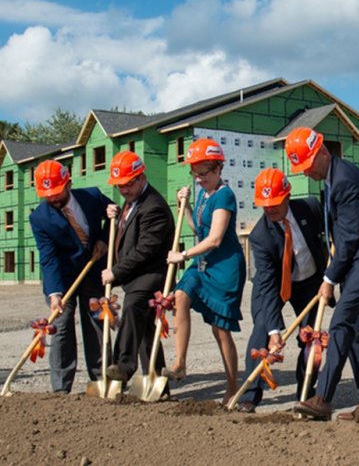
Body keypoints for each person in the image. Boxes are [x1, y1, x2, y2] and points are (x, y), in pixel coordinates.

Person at [285, 127, 359, 420]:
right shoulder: (331, 180)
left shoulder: (345, 181)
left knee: (340, 322)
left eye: (307, 165)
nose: (305, 173)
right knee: (355, 327)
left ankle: (323, 398)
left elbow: (350, 237)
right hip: (355, 261)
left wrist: (328, 279)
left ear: (322, 153)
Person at [164, 138, 246, 405]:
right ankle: (180, 363)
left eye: (203, 174)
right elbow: (197, 229)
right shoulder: (203, 193)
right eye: (195, 174)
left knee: (220, 330)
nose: (199, 180)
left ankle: (232, 386)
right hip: (203, 266)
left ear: (218, 169)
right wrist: (185, 207)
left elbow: (215, 238)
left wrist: (183, 255)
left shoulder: (225, 195)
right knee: (180, 295)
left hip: (225, 269)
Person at [237, 168, 326, 413]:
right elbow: (265, 284)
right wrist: (275, 330)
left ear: (287, 196)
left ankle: (306, 394)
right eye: (264, 205)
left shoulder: (310, 208)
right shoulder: (260, 236)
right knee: (261, 332)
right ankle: (250, 395)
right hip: (274, 287)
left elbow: (331, 228)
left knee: (311, 339)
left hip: (309, 283)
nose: (269, 209)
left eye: (274, 203)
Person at [29, 160, 110, 393]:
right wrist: (55, 294)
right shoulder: (40, 218)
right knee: (62, 326)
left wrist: (103, 239)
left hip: (92, 271)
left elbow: (116, 216)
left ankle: (101, 380)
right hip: (62, 278)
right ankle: (61, 389)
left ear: (68, 183)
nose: (53, 199)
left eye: (56, 193)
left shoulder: (92, 196)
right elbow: (49, 258)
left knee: (96, 324)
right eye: (47, 195)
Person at [102, 151, 174, 387]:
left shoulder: (154, 207)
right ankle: (157, 381)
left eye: (127, 184)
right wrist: (113, 214)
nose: (123, 190)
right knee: (145, 331)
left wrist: (116, 271)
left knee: (133, 308)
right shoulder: (132, 201)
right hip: (138, 275)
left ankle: (123, 366)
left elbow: (145, 250)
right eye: (119, 186)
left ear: (141, 178)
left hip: (153, 276)